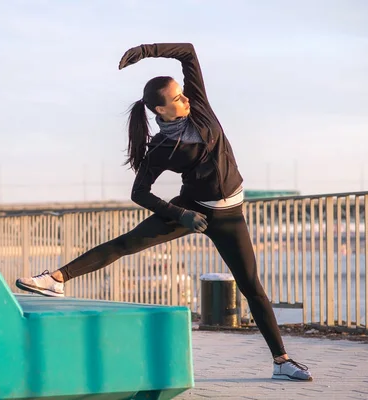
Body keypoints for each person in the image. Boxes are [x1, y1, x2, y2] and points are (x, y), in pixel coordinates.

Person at [16, 42, 313, 382]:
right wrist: (181, 215)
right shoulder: (160, 147)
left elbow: (187, 52)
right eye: (176, 98)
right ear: (161, 109)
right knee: (127, 243)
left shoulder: (199, 109)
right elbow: (139, 192)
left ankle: (281, 361)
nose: (185, 99)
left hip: (230, 216)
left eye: (183, 94)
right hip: (191, 209)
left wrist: (145, 51)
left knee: (252, 287)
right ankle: (54, 279)